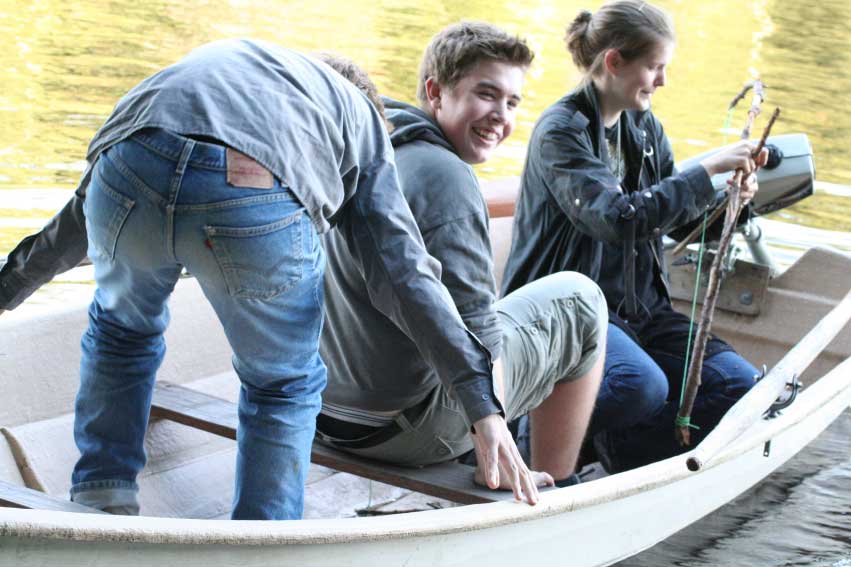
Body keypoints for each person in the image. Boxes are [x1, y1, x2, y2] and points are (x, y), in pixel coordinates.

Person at [1, 40, 540, 519]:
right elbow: (403, 273)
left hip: (128, 154)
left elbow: (67, 233)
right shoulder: (362, 120)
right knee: (282, 385)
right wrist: (481, 403)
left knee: (120, 332)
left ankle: (101, 500)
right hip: (247, 188)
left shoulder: (243, 73)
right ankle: (262, 542)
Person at [316, 22, 607, 489]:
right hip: (407, 430)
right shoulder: (445, 176)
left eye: (512, 103)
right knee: (581, 299)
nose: (500, 116)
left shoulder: (367, 144)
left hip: (323, 415)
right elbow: (479, 330)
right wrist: (492, 427)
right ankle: (551, 485)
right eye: (486, 94)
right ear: (435, 91)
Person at [501, 1, 768, 472]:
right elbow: (617, 220)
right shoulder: (561, 132)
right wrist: (704, 171)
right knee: (640, 385)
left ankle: (616, 459)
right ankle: (527, 442)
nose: (662, 81)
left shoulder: (645, 128)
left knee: (740, 388)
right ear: (614, 62)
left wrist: (731, 201)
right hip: (570, 311)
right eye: (654, 67)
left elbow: (672, 222)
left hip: (640, 309)